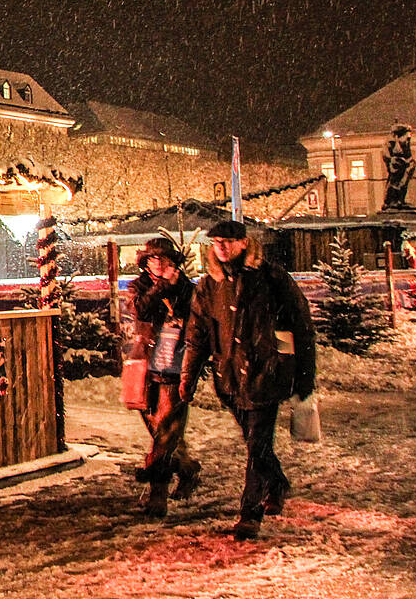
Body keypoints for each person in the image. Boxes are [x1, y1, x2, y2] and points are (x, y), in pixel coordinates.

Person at [181, 221, 316, 540]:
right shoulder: (209, 284)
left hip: (265, 376)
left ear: (244, 243)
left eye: (228, 241)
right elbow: (198, 333)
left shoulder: (270, 278)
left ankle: (249, 514)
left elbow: (297, 326)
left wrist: (293, 368)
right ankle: (278, 483)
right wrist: (189, 375)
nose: (221, 247)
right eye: (216, 242)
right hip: (229, 378)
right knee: (256, 444)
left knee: (257, 445)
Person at [130, 237, 201, 517]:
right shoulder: (141, 287)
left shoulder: (188, 289)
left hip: (177, 365)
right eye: (153, 260)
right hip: (146, 366)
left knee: (167, 428)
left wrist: (176, 288)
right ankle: (187, 469)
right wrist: (162, 286)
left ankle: (157, 493)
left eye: (165, 260)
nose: (159, 264)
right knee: (158, 427)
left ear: (174, 263)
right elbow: (141, 310)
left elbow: (196, 320)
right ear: (146, 264)